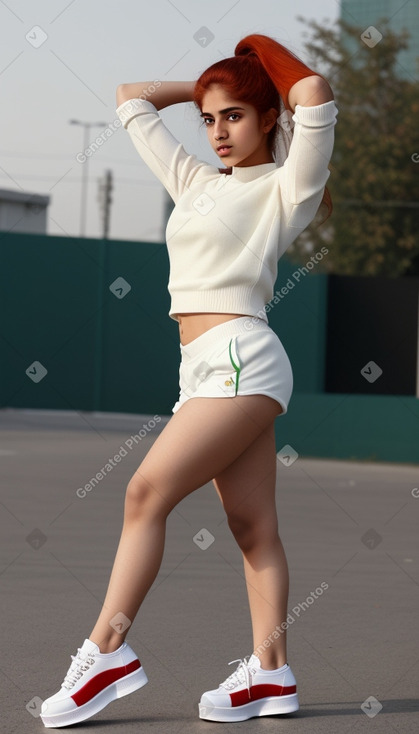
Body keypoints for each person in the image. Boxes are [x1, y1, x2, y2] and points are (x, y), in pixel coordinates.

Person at [40, 32, 337, 728]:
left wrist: (258, 54)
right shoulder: (195, 180)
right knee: (250, 525)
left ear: (268, 117)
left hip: (241, 357)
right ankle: (272, 674)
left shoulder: (286, 185)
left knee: (144, 492)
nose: (215, 132)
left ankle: (105, 650)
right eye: (207, 120)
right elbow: (129, 101)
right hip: (199, 370)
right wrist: (205, 89)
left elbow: (314, 93)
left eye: (233, 115)